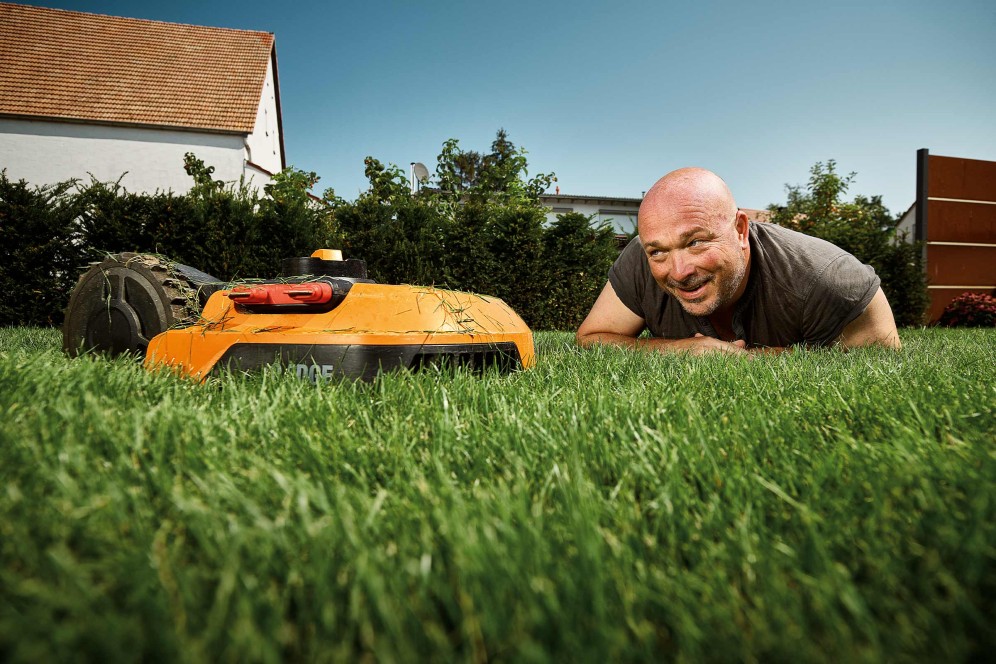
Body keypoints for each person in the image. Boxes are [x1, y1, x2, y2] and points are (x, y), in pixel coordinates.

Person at [576, 167, 901, 355]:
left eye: (697, 242)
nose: (678, 271)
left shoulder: (830, 279)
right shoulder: (640, 257)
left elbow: (879, 363)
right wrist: (679, 350)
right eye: (658, 251)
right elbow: (592, 337)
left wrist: (751, 361)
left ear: (741, 230)